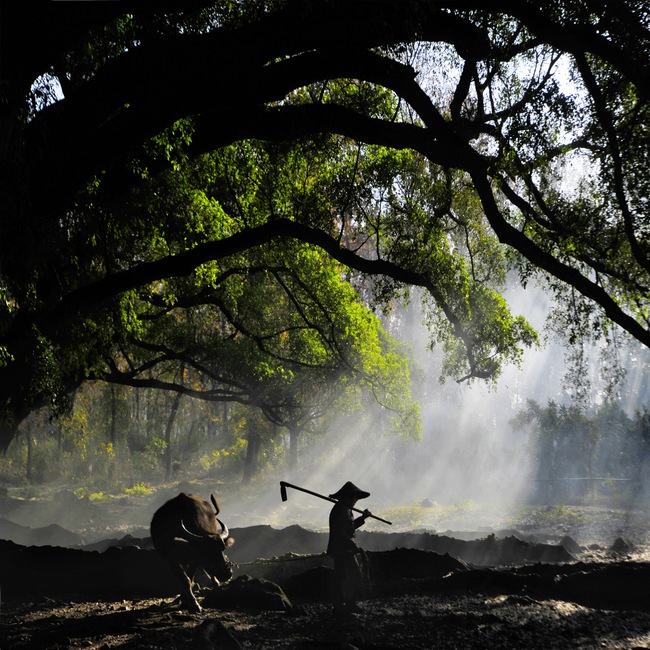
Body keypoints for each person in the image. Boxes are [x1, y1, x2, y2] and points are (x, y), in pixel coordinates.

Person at [326, 481, 372, 615]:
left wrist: (363, 518)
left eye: (356, 498)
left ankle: (341, 605)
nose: (356, 500)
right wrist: (353, 546)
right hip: (342, 549)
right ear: (347, 497)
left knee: (343, 576)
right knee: (352, 575)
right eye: (354, 498)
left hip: (342, 549)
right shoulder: (341, 510)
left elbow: (349, 528)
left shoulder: (345, 509)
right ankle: (346, 604)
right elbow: (340, 533)